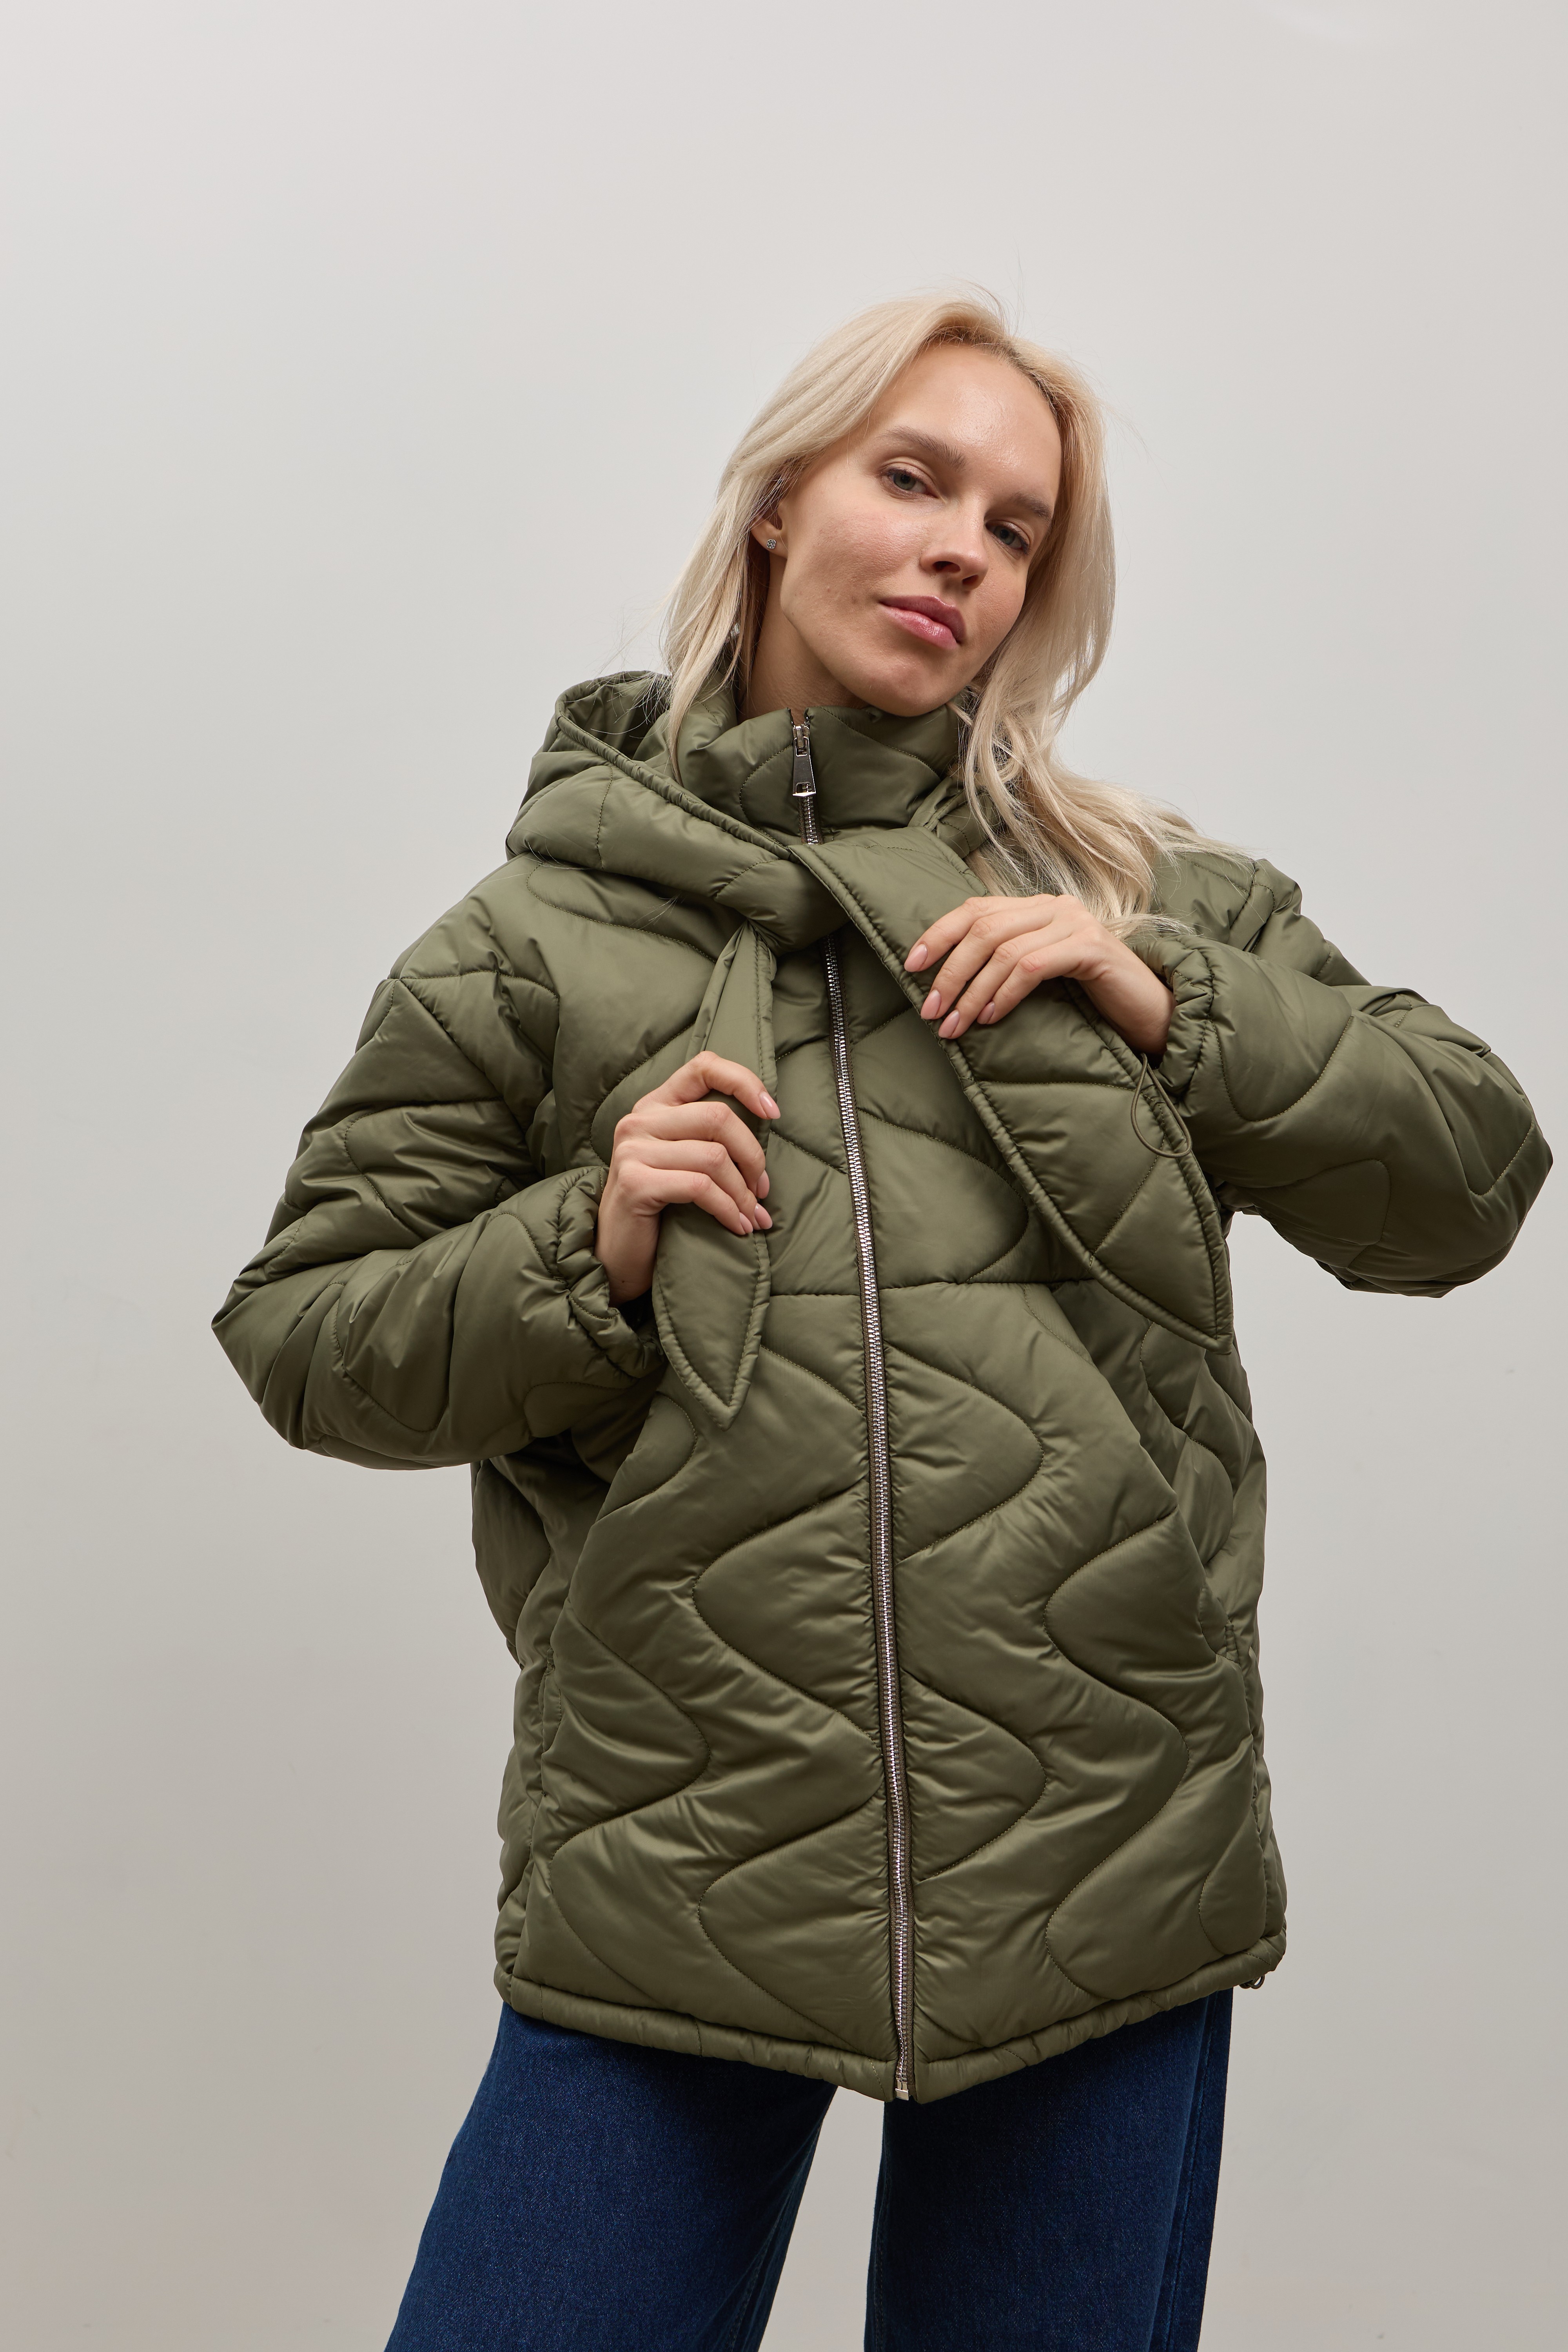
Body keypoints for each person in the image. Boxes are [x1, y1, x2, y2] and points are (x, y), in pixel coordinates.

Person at [214, 292, 1550, 2351]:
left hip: (1107, 1852)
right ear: (776, 501)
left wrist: (1168, 1002)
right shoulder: (533, 941)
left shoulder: (1133, 891)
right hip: (679, 1850)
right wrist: (593, 1243)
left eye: (1016, 528)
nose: (961, 553)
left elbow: (1470, 1171)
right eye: (913, 479)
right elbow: (306, 1335)